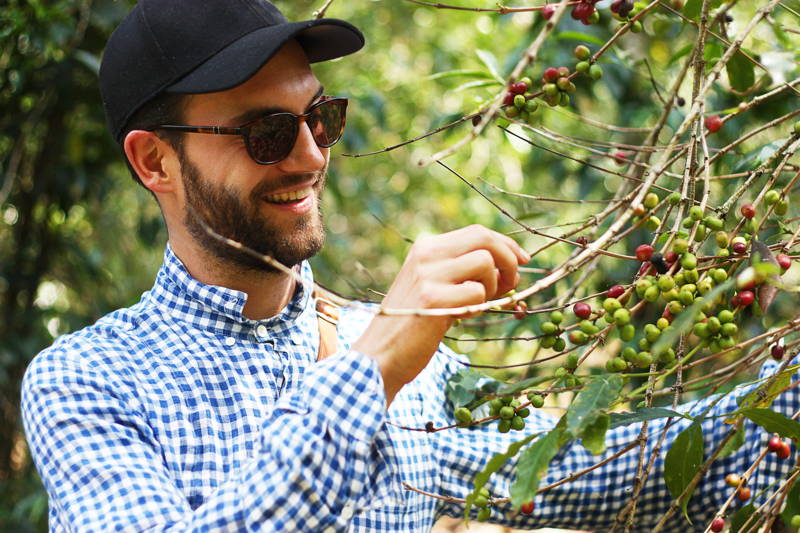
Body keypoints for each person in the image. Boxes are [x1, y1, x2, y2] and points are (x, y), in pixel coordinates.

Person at [20, 1, 796, 532]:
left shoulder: (401, 358)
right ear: (155, 160)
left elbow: (614, 474)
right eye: (265, 132)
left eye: (321, 117)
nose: (311, 153)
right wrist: (371, 371)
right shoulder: (87, 380)